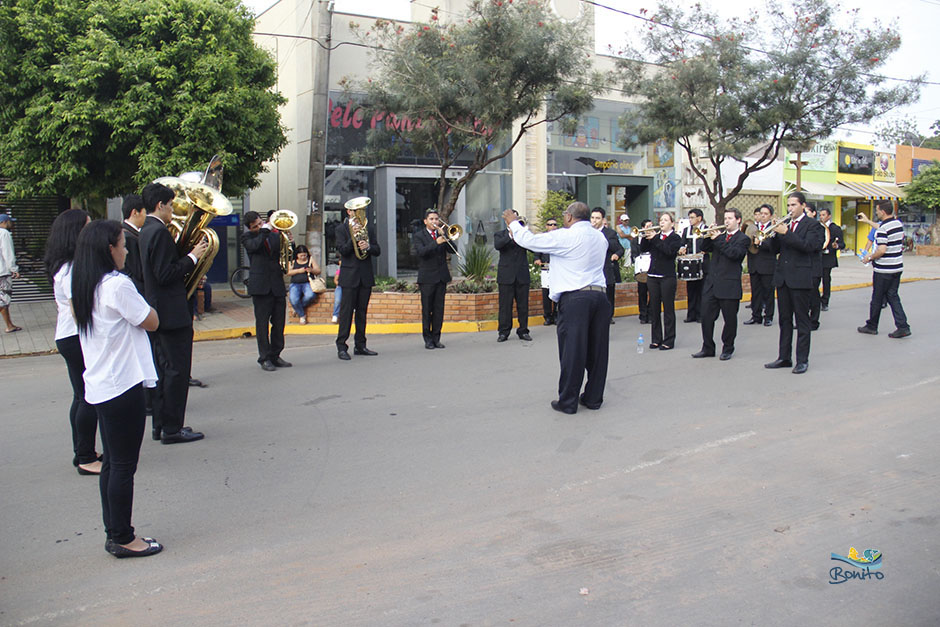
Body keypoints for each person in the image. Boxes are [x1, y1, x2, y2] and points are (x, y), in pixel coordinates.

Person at [71, 220, 162, 558]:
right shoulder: (116, 285)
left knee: (112, 463)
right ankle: (124, 537)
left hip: (102, 383)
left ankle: (115, 532)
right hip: (122, 385)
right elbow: (151, 320)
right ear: (109, 249)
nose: (126, 251)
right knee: (123, 466)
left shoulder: (86, 284)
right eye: (122, 245)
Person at [501, 202, 609, 414]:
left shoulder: (565, 236)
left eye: (564, 215)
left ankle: (568, 402)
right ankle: (593, 398)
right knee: (597, 352)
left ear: (569, 217)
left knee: (573, 351)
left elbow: (529, 240)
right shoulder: (600, 237)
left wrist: (513, 222)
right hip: (600, 297)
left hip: (576, 298)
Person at [139, 182, 207, 443]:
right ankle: (172, 429)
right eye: (170, 206)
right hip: (171, 312)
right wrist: (192, 256)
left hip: (160, 310)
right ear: (160, 205)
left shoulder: (148, 230)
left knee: (164, 370)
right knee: (177, 372)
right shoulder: (158, 232)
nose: (173, 211)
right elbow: (165, 273)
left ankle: (161, 425)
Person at [43, 209, 101, 475]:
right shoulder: (71, 268)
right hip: (76, 337)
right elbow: (81, 308)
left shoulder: (66, 264)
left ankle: (84, 452)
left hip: (69, 336)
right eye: (86, 227)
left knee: (81, 396)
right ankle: (86, 457)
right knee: (88, 397)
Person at [764, 192, 826, 374]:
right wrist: (774, 234)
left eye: (793, 205)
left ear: (803, 206)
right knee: (784, 320)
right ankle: (784, 357)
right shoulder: (786, 225)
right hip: (783, 278)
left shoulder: (813, 226)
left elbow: (809, 247)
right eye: (788, 205)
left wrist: (787, 233)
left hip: (800, 279)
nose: (790, 209)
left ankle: (802, 360)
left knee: (802, 321)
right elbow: (774, 249)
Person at [692, 208, 749, 360]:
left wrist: (718, 239)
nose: (726, 221)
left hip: (729, 285)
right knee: (706, 317)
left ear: (738, 220)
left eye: (730, 218)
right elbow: (704, 248)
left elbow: (734, 255)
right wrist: (708, 235)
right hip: (712, 283)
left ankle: (728, 348)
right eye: (725, 218)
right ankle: (708, 347)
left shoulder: (743, 239)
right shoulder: (719, 236)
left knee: (729, 320)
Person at [242, 210, 291, 371]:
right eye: (255, 226)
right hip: (260, 286)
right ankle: (264, 357)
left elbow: (287, 253)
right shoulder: (248, 238)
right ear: (250, 228)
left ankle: (276, 355)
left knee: (279, 323)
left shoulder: (274, 236)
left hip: (276, 283)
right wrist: (264, 230)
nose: (259, 226)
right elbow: (255, 246)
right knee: (262, 325)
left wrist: (289, 241)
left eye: (260, 223)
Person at [334, 203, 381, 360]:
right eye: (356, 210)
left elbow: (377, 250)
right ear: (349, 211)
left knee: (362, 313)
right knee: (346, 313)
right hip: (349, 277)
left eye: (361, 210)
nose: (359, 214)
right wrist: (353, 237)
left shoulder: (369, 228)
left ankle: (360, 345)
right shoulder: (341, 229)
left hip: (365, 276)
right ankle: (342, 346)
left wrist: (368, 246)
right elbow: (343, 250)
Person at [858, 201, 911, 338]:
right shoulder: (897, 224)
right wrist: (868, 221)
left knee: (877, 298)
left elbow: (881, 250)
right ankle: (903, 326)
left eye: (877, 210)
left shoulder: (882, 230)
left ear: (882, 211)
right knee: (893, 296)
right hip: (897, 267)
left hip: (884, 270)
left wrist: (869, 257)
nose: (876, 212)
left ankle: (872, 325)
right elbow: (881, 227)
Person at [639, 212, 683, 350]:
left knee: (668, 309)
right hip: (652, 275)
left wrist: (656, 239)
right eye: (661, 220)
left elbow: (669, 252)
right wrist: (646, 236)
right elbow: (643, 249)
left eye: (665, 220)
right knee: (654, 309)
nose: (662, 222)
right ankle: (656, 339)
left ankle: (669, 340)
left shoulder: (675, 238)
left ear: (672, 223)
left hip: (667, 277)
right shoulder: (655, 236)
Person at [415, 209, 451, 350]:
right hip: (427, 278)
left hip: (441, 277)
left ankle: (437, 338)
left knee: (439, 309)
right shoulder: (419, 236)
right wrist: (436, 242)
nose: (435, 222)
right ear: (425, 221)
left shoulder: (442, 234)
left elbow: (452, 249)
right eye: (431, 219)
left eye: (436, 219)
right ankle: (428, 339)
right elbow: (421, 252)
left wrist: (445, 237)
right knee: (427, 309)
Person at [494, 210, 532, 342]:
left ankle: (523, 330)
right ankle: (503, 332)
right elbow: (498, 246)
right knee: (505, 306)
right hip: (506, 275)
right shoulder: (500, 234)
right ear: (507, 221)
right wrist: (510, 235)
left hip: (522, 275)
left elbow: (532, 247)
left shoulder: (524, 235)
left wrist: (524, 232)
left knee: (523, 305)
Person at [744, 204, 776, 327]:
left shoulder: (773, 229)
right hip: (754, 264)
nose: (762, 216)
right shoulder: (753, 228)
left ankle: (768, 316)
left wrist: (760, 242)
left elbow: (773, 247)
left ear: (770, 216)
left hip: (767, 265)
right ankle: (755, 316)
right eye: (761, 213)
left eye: (765, 214)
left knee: (768, 292)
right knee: (755, 292)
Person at [591, 208, 625, 323]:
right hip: (591, 270)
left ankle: (608, 317)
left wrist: (616, 254)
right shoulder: (587, 232)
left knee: (608, 296)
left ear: (603, 220)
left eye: (597, 218)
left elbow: (619, 248)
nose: (594, 220)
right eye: (592, 218)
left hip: (606, 269)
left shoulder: (610, 233)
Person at [678, 208, 708, 323]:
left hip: (702, 264)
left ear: (699, 218)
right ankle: (691, 314)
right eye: (689, 217)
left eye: (692, 217)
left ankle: (701, 314)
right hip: (691, 264)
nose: (690, 220)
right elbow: (682, 244)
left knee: (701, 290)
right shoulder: (686, 230)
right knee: (691, 290)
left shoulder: (706, 229)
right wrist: (682, 249)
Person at [286, 245, 321, 324]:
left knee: (310, 295)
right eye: (301, 255)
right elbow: (288, 272)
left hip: (307, 283)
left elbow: (318, 270)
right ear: (297, 255)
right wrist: (299, 271)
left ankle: (298, 308)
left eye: (304, 255)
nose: (303, 257)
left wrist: (311, 270)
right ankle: (302, 315)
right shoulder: (293, 261)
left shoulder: (310, 260)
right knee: (293, 299)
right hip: (295, 283)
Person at [818, 207, 844, 311]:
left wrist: (836, 246)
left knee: (826, 279)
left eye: (823, 215)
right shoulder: (817, 227)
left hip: (828, 257)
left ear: (829, 216)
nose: (821, 217)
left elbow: (842, 243)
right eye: (820, 215)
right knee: (815, 279)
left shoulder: (835, 228)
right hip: (818, 256)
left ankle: (825, 301)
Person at [534, 218, 559, 325]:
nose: (552, 226)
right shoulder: (543, 238)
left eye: (554, 224)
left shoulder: (560, 238)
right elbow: (537, 251)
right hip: (546, 269)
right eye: (550, 224)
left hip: (558, 269)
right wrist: (537, 259)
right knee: (546, 293)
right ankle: (548, 316)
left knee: (558, 292)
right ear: (546, 226)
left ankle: (557, 315)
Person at [0, 213, 22, 333]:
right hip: (2, 272)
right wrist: (14, 269)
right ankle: (9, 325)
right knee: (4, 299)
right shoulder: (4, 233)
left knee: (2, 299)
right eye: (9, 221)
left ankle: (9, 324)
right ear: (3, 222)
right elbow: (7, 253)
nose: (11, 224)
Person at [121, 195, 147, 294]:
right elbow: (139, 272)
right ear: (135, 212)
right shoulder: (128, 237)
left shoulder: (127, 233)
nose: (146, 216)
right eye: (145, 212)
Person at [805, 204, 824, 331]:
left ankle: (814, 320)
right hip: (803, 267)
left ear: (813, 213)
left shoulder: (817, 227)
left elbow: (817, 245)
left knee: (813, 295)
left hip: (814, 266)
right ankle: (805, 320)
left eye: (807, 212)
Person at [630, 218, 653, 324]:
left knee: (653, 293)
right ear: (643, 228)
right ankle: (643, 315)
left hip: (652, 268)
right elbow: (634, 253)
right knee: (642, 293)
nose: (650, 228)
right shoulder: (636, 240)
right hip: (641, 269)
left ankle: (651, 314)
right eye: (648, 226)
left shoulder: (654, 238)